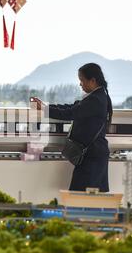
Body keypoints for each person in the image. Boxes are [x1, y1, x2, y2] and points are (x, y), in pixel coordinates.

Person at [33, 63, 113, 192]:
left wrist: (45, 109)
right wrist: (45, 107)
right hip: (93, 154)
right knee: (87, 197)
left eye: (82, 80)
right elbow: (71, 108)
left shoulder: (95, 100)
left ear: (92, 80)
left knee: (81, 196)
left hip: (92, 156)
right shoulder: (98, 96)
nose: (80, 84)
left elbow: (69, 113)